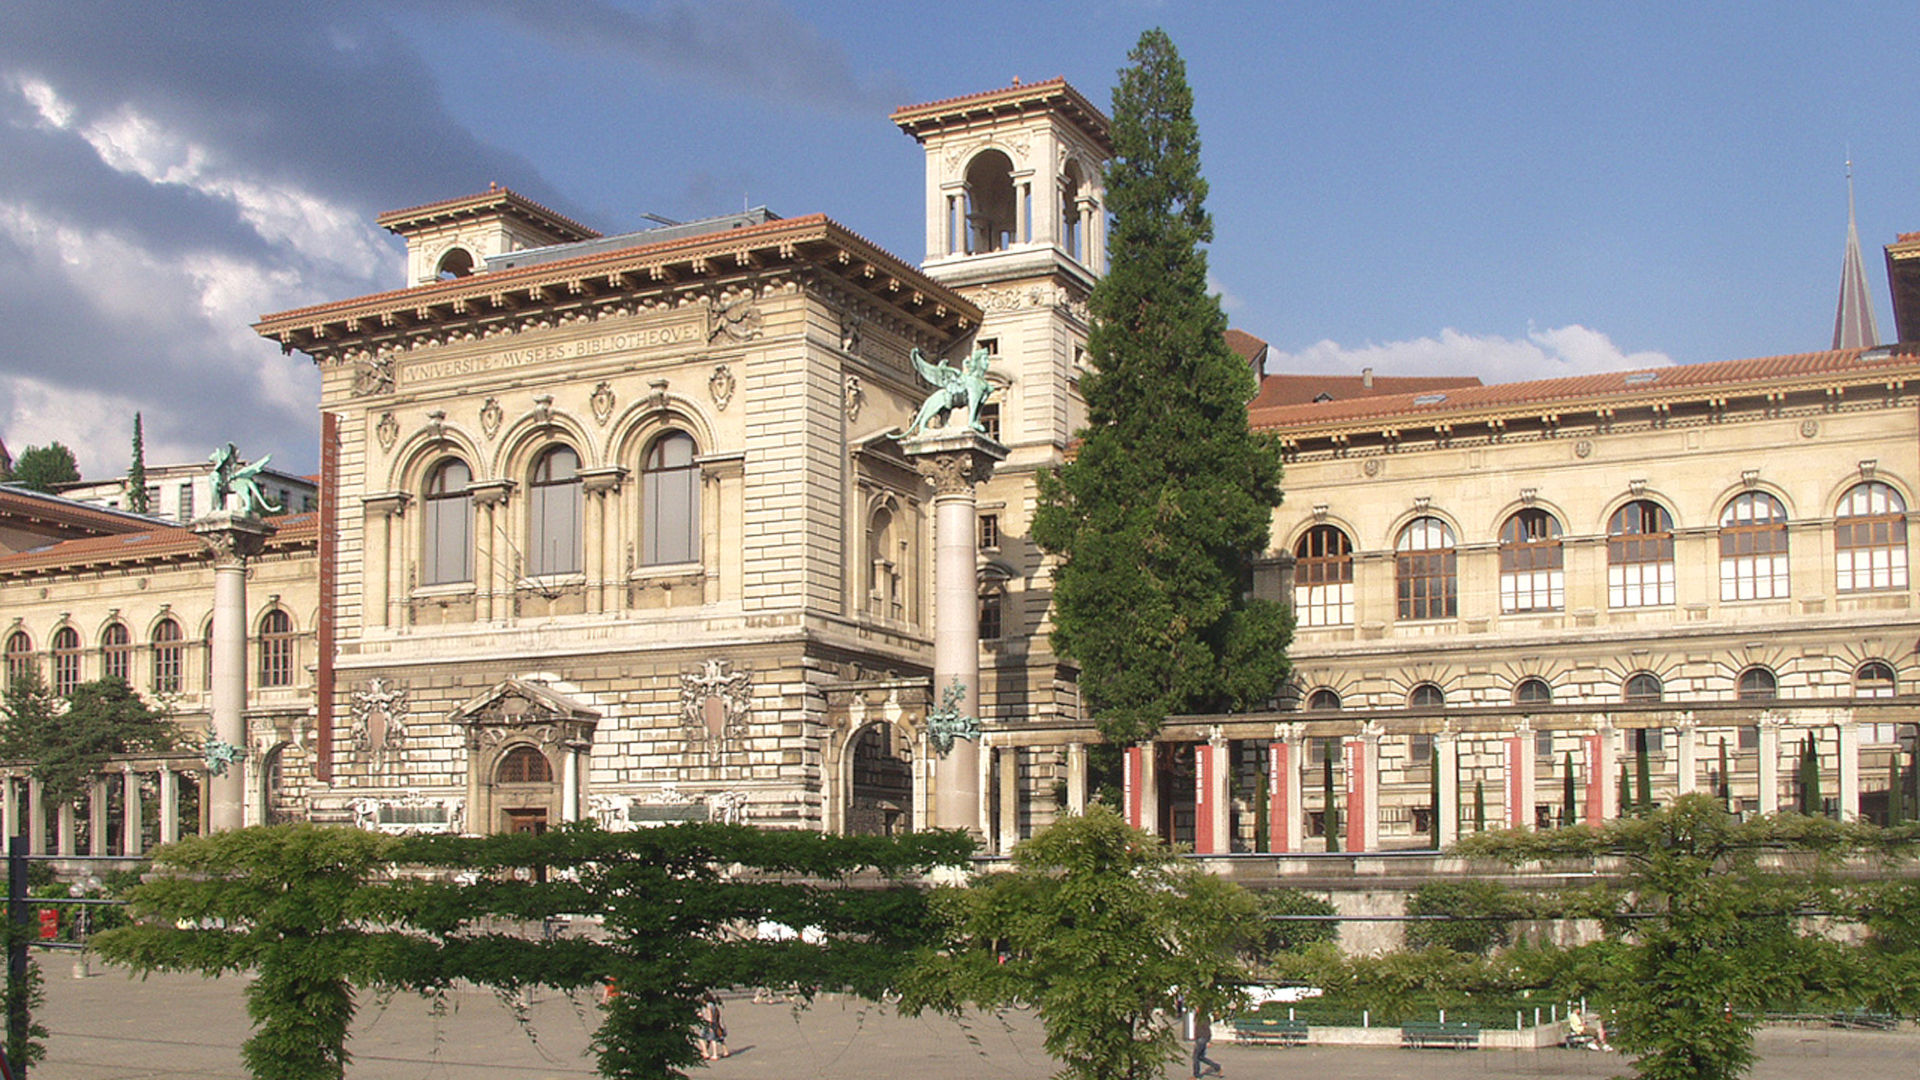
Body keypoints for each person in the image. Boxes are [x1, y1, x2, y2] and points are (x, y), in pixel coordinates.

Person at [1191, 1005, 1222, 1077]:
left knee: (1195, 1057)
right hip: (1200, 1038)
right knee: (1201, 1057)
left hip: (1202, 1038)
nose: (1196, 1008)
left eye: (1197, 1007)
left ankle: (1196, 1075)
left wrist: (1208, 1040)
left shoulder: (1203, 1018)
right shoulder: (1198, 1016)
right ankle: (1217, 1067)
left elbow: (1207, 1029)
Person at [698, 992, 729, 1061]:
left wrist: (709, 1022)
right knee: (718, 1037)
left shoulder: (708, 1006)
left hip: (708, 1023)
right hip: (715, 1023)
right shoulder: (713, 1005)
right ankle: (725, 1051)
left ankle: (708, 1053)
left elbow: (710, 1016)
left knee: (707, 1038)